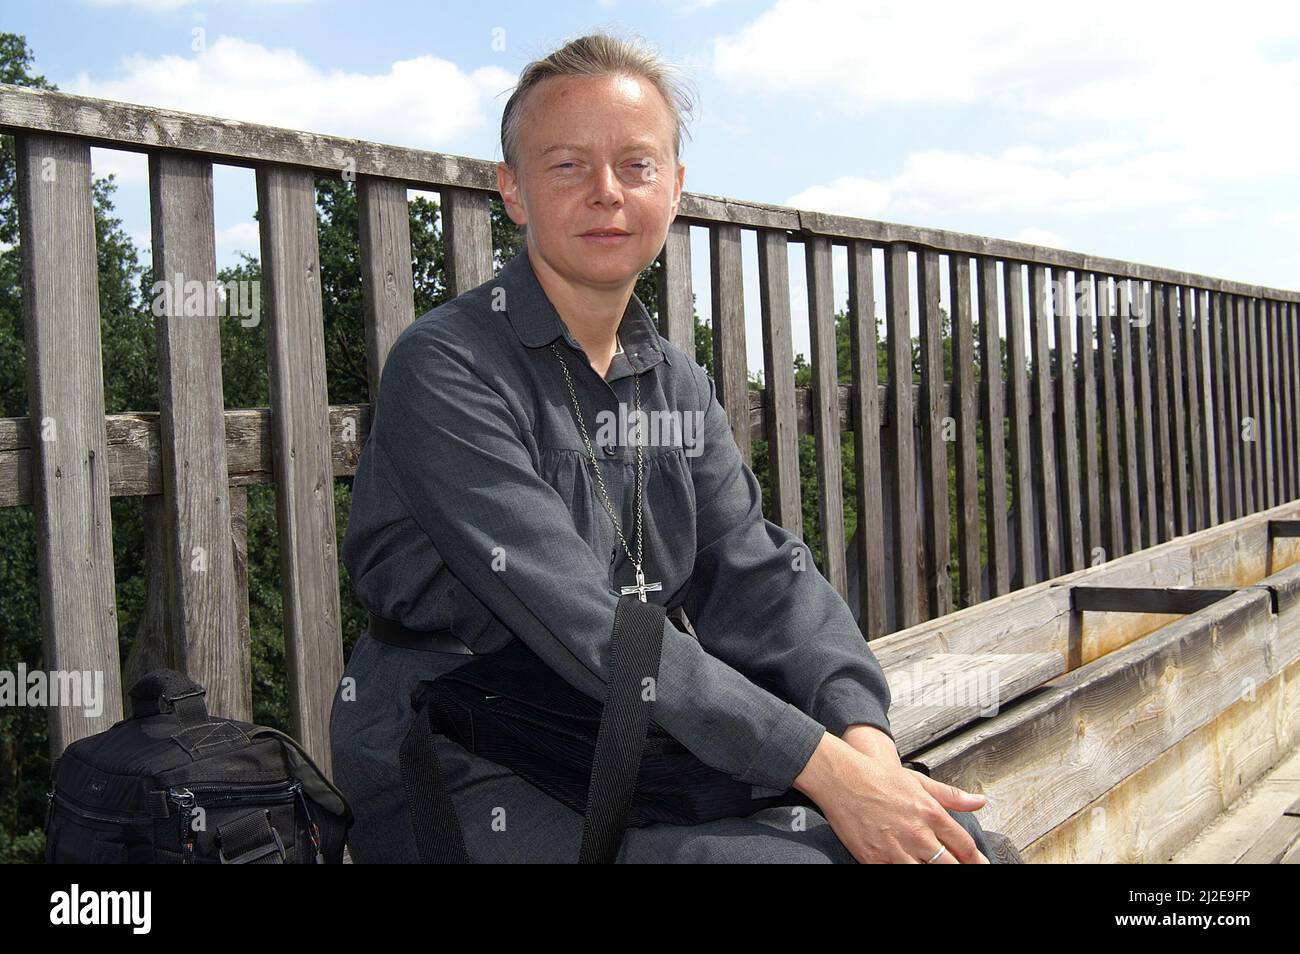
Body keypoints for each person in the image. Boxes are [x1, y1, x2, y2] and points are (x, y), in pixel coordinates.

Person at [330, 31, 1003, 863]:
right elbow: (585, 624)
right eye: (567, 166)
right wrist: (817, 766)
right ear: (513, 189)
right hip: (473, 755)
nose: (606, 193)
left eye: (636, 165)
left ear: (675, 187)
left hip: (624, 738)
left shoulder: (676, 382)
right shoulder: (448, 367)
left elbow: (759, 574)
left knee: (961, 844)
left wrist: (862, 737)